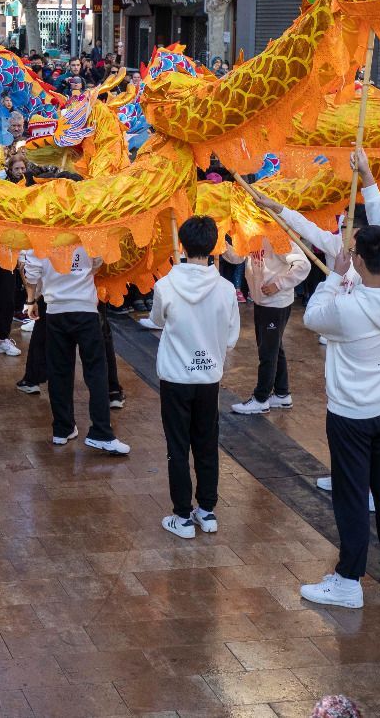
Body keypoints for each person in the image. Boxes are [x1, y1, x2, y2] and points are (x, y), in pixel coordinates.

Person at [264, 150, 380, 609]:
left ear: (360, 262)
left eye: (351, 251)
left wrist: (336, 278)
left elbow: (311, 315)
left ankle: (349, 581)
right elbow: (374, 226)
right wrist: (366, 178)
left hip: (352, 416)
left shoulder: (348, 309)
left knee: (351, 497)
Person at [149, 216, 239, 539]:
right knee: (206, 443)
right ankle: (207, 510)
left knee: (177, 445)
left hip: (175, 377)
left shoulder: (165, 286)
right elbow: (231, 337)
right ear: (213, 245)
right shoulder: (227, 289)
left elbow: (158, 319)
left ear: (183, 246)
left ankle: (182, 515)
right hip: (209, 379)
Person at [21, 245, 129, 455]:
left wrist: (31, 299)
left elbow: (32, 270)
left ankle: (62, 429)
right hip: (85, 309)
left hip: (55, 311)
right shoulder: (88, 227)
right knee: (96, 372)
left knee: (59, 371)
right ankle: (101, 432)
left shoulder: (43, 229)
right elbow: (97, 261)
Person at [224, 238, 309, 415]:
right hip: (261, 300)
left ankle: (261, 399)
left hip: (275, 303)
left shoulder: (276, 236)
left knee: (268, 352)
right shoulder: (249, 232)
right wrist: (220, 243)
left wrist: (278, 285)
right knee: (274, 348)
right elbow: (238, 258)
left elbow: (303, 265)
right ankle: (282, 393)